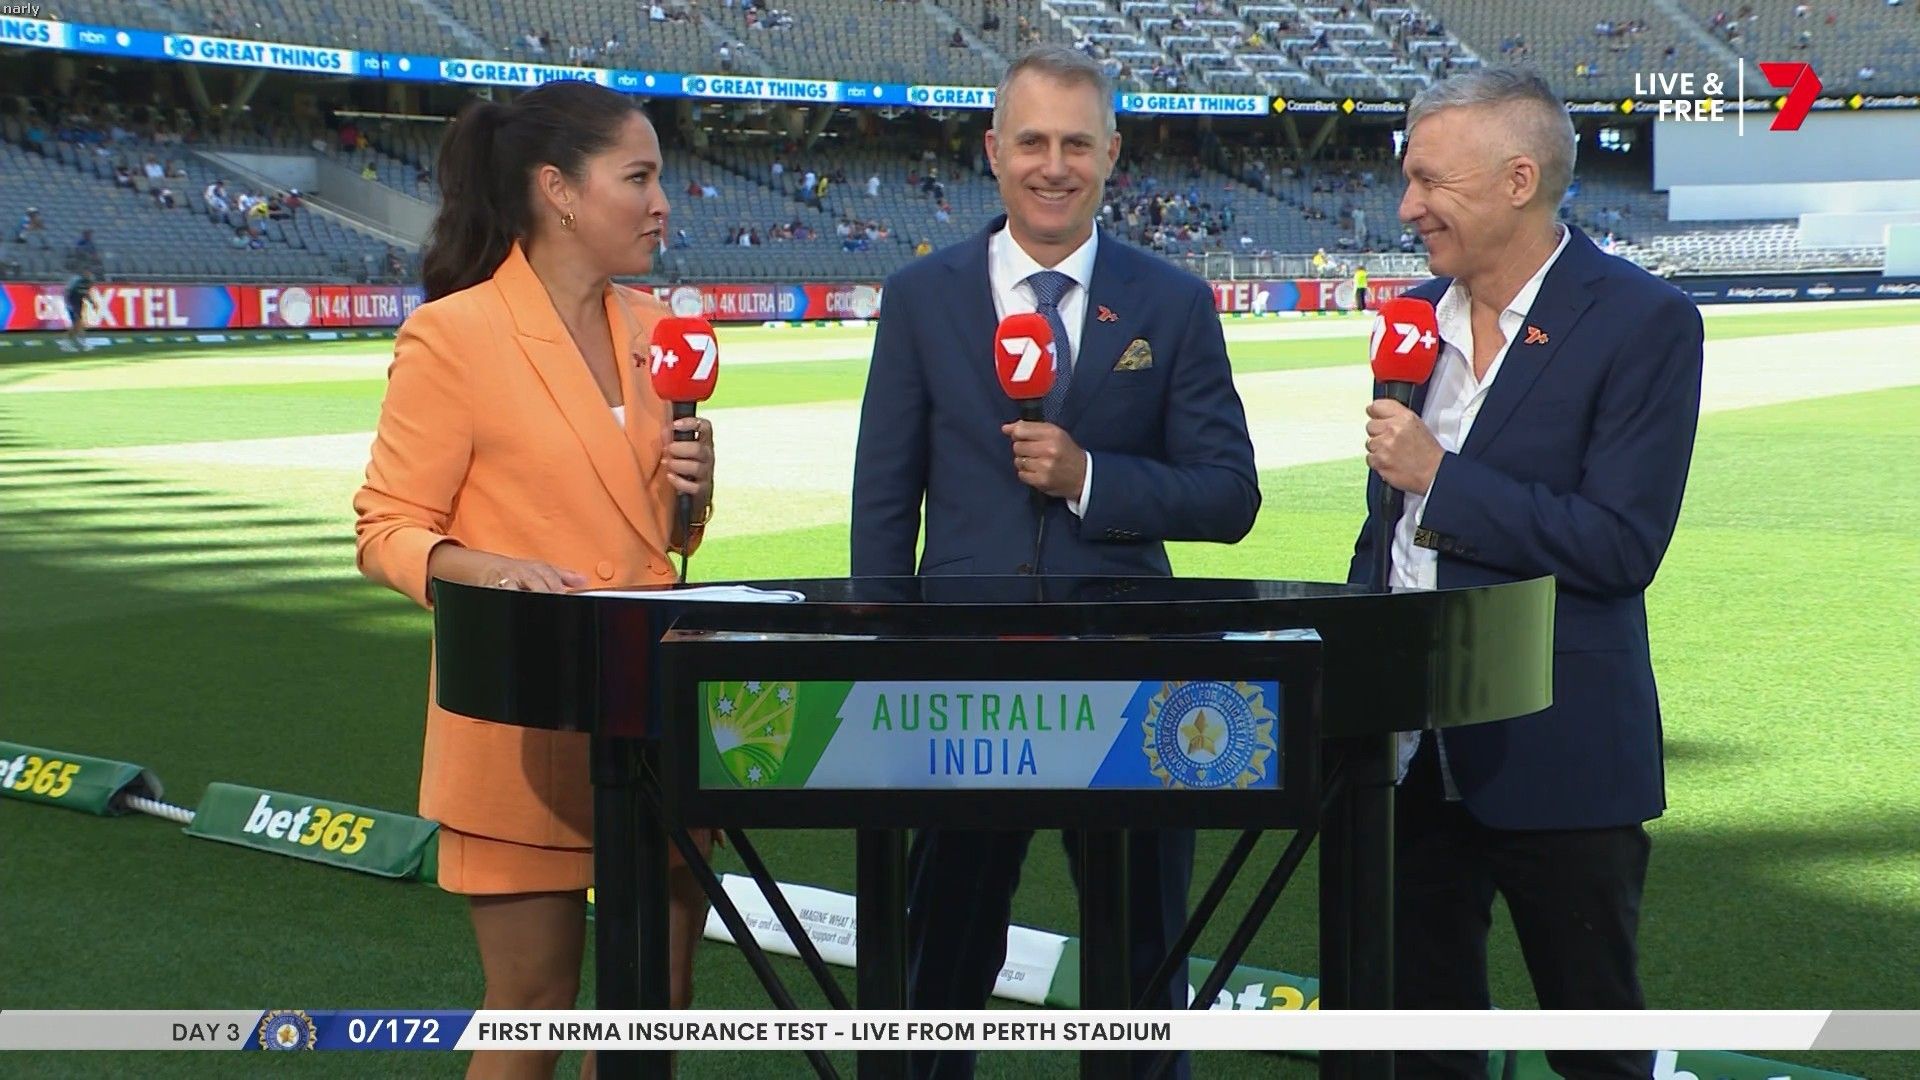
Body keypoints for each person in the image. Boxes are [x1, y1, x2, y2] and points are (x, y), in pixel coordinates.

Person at [851, 45, 1259, 1080]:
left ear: (1112, 155)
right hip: (958, 678)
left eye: (1077, 143)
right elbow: (883, 504)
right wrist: (882, 658)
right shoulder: (921, 297)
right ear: (993, 151)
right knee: (939, 960)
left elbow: (1229, 495)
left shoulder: (1171, 302)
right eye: (1032, 141)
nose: (1053, 165)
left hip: (1131, 673)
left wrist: (1091, 479)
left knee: (1139, 963)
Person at [352, 81, 716, 1080]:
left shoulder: (660, 330)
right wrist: (483, 569)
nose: (662, 203)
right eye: (638, 178)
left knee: (657, 1008)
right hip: (521, 724)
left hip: (653, 715)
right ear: (559, 190)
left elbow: (667, 538)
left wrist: (696, 491)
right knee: (532, 1010)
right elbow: (386, 528)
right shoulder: (455, 336)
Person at [1349, 66, 1702, 1080]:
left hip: (1560, 749)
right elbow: (1389, 535)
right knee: (1423, 1047)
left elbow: (1620, 547)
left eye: (1431, 181)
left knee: (1596, 1049)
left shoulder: (1643, 321)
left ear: (1517, 180)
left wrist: (1442, 477)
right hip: (1404, 753)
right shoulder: (1415, 319)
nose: (1408, 207)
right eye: (1408, 179)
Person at [61, 267, 93, 353]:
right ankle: (68, 343)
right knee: (77, 323)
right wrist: (68, 303)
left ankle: (80, 342)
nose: (89, 275)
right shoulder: (76, 281)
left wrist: (92, 302)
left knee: (78, 324)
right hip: (72, 303)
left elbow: (86, 294)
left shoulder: (88, 282)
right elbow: (68, 291)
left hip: (79, 304)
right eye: (87, 273)